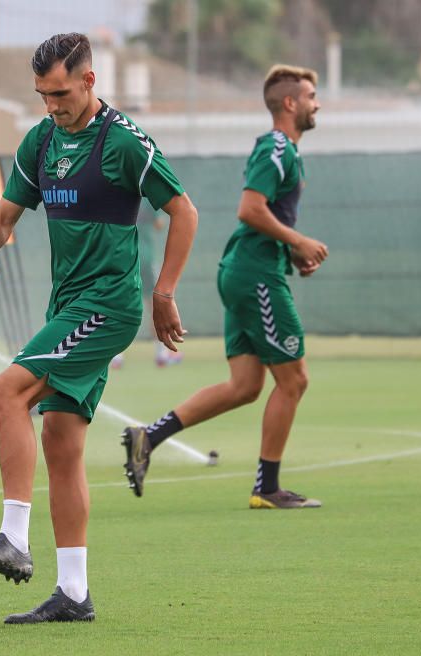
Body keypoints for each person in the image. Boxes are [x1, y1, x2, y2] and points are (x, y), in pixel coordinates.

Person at [0, 33, 198, 624]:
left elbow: (182, 210)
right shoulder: (40, 142)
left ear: (89, 80)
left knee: (4, 390)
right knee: (60, 440)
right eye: (42, 95)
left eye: (60, 92)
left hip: (108, 307)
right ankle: (75, 593)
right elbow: (5, 216)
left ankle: (13, 537)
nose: (51, 105)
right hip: (67, 308)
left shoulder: (124, 142)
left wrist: (163, 292)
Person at [121, 64, 328, 509]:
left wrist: (293, 252)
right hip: (255, 276)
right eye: (311, 95)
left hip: (248, 270)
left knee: (245, 385)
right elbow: (249, 210)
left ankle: (147, 438)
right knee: (293, 380)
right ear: (290, 103)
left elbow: (262, 219)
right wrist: (298, 240)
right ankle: (267, 488)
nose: (317, 103)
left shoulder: (286, 152)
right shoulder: (277, 148)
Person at [110, 201, 184, 370]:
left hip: (121, 258)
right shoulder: (147, 200)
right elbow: (159, 224)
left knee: (117, 305)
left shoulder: (116, 195)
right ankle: (162, 353)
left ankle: (115, 356)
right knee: (155, 304)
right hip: (145, 259)